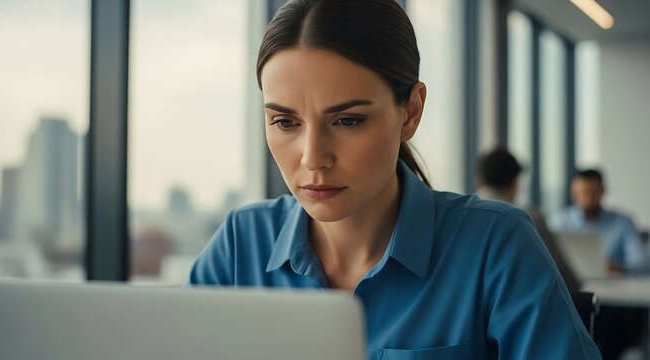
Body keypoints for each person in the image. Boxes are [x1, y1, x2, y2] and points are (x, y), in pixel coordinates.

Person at [186, 0, 601, 358]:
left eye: (348, 120)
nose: (313, 158)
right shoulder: (240, 245)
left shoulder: (496, 245)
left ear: (411, 111)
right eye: (284, 121)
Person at [476, 147, 581, 292]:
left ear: (480, 181)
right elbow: (563, 276)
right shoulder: (527, 217)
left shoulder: (460, 218)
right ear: (514, 182)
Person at [549, 169, 649, 274]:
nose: (587, 198)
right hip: (570, 283)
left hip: (614, 285)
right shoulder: (559, 221)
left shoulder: (623, 222)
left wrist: (620, 268)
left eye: (592, 192)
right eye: (581, 193)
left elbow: (642, 263)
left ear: (603, 190)